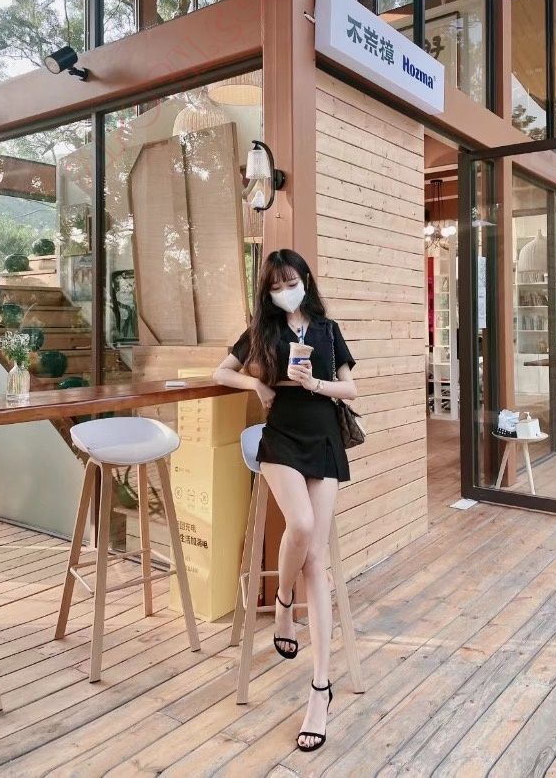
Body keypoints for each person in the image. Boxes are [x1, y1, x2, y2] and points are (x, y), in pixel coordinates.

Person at [213, 248, 357, 752]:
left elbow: (352, 389)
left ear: (305, 281)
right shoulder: (262, 331)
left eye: (290, 283)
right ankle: (282, 602)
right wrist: (256, 382)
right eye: (275, 286)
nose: (284, 292)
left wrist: (314, 383)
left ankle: (320, 688)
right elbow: (220, 372)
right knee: (300, 524)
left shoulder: (327, 330)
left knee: (316, 559)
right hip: (281, 440)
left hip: (325, 441)